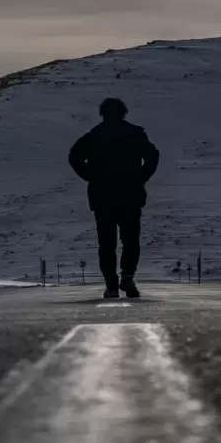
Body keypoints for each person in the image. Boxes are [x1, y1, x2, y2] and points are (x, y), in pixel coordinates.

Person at [68, 97, 160, 298]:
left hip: (103, 196)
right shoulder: (134, 134)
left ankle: (111, 284)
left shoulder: (94, 135)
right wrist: (140, 178)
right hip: (130, 195)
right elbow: (153, 156)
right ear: (123, 112)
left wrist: (90, 176)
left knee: (107, 243)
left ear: (103, 114)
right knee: (130, 240)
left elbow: (74, 156)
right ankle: (127, 278)